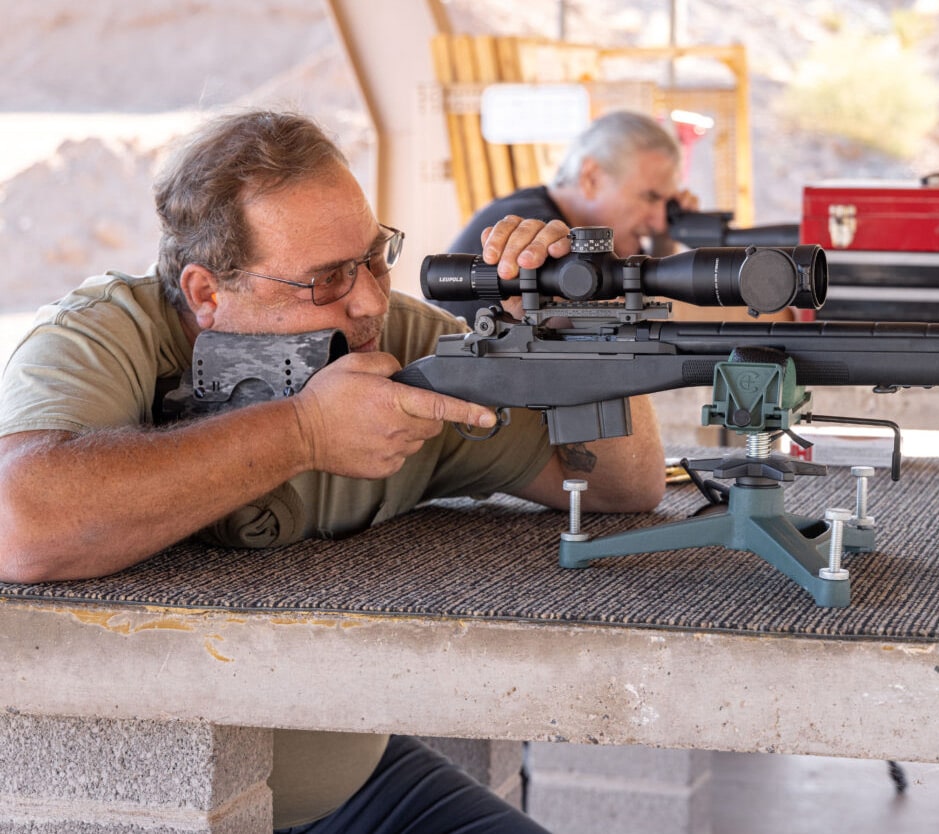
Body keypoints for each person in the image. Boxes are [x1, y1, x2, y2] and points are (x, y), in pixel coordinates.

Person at [0, 109, 665, 833]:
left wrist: (586, 326)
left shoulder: (400, 341)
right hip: (144, 800)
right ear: (205, 294)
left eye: (374, 257)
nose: (371, 300)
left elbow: (619, 489)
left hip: (353, 785)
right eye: (325, 280)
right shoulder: (108, 336)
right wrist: (303, 433)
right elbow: (20, 525)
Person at [440, 109, 785, 323]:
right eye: (650, 197)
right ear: (590, 178)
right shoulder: (535, 229)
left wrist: (669, 236)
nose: (659, 219)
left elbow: (646, 291)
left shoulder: (555, 219)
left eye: (667, 204)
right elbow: (630, 313)